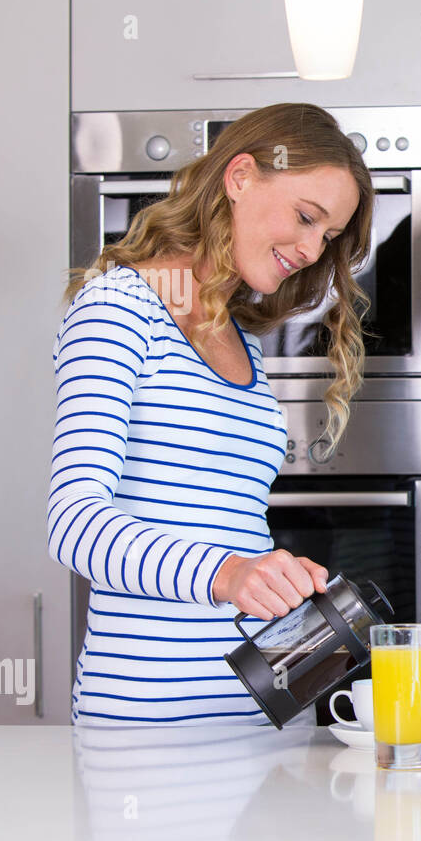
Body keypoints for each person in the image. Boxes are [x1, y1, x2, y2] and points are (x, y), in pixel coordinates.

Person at [48, 103, 373, 725]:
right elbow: (74, 521)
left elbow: (219, 522)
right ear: (240, 176)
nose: (311, 250)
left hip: (261, 717)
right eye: (307, 218)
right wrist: (228, 573)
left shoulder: (240, 340)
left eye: (328, 237)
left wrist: (278, 579)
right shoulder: (117, 307)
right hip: (147, 727)